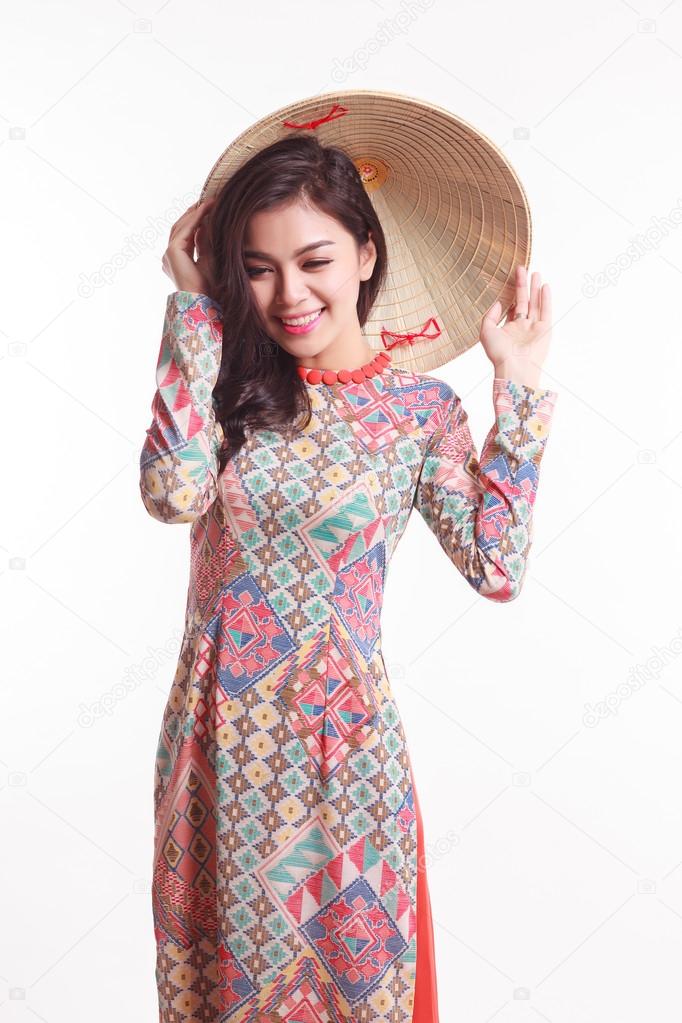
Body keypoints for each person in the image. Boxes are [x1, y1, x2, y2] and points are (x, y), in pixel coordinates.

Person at [140, 134, 558, 1023]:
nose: (290, 294)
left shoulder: (419, 413)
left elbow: (496, 567)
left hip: (344, 756)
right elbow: (171, 495)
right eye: (258, 268)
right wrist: (189, 309)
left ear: (366, 254)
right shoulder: (227, 393)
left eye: (315, 260)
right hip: (217, 747)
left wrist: (516, 390)